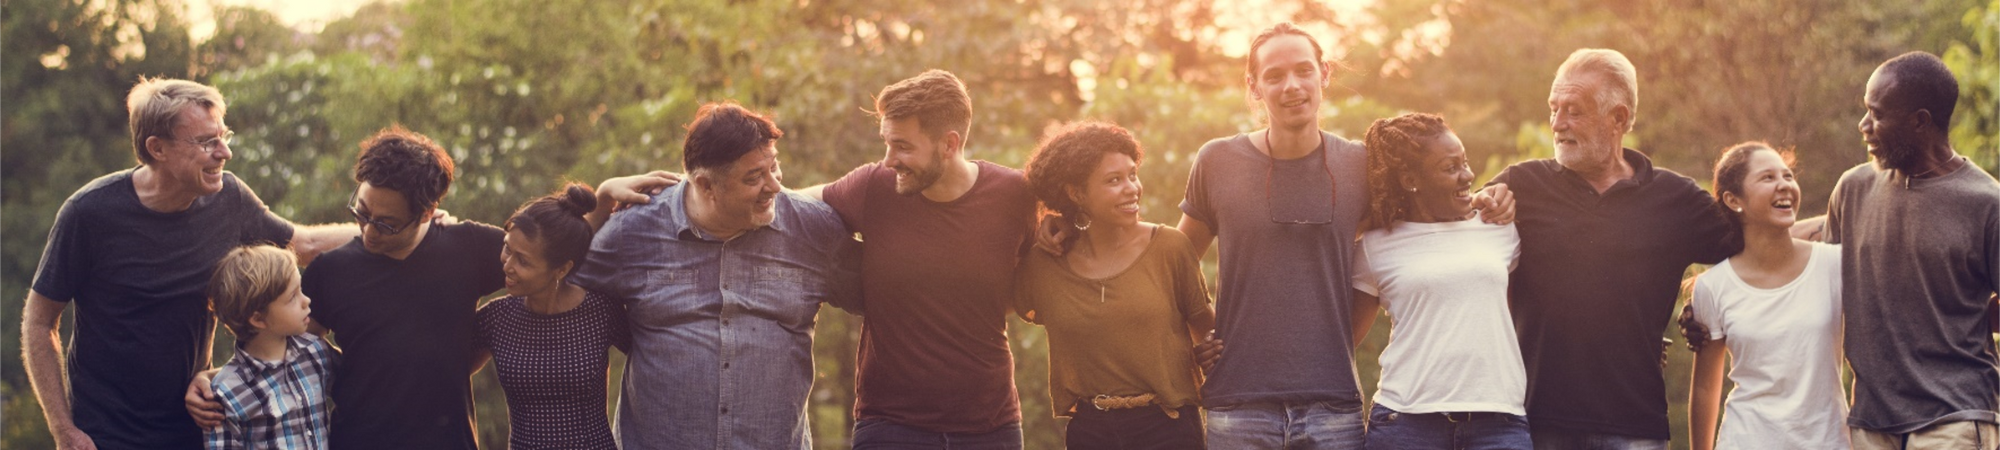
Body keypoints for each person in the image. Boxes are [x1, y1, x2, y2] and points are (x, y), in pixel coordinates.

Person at [22, 77, 353, 450]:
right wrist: (64, 430)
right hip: (106, 435)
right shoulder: (89, 213)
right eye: (206, 142)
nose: (224, 152)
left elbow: (304, 244)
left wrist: (412, 224)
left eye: (223, 135)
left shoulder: (229, 198)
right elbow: (39, 322)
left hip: (197, 424)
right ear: (156, 148)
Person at [188, 126, 505, 450]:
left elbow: (548, 266)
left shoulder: (471, 247)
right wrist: (214, 378)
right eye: (362, 212)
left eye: (386, 224)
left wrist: (490, 332)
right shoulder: (332, 270)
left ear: (426, 212)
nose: (368, 231)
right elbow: (277, 349)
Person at [571, 102, 861, 449]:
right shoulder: (631, 231)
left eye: (774, 167)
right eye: (753, 177)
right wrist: (599, 203)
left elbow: (893, 292)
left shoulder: (813, 229)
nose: (774, 186)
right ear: (706, 185)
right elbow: (558, 279)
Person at [1487, 48, 1736, 449]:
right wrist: (1486, 202)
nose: (1557, 123)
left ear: (1618, 118)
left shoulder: (1676, 198)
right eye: (1554, 108)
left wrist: (1705, 305)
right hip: (1537, 423)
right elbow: (1454, 229)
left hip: (1636, 426)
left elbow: (1756, 244)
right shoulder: (1522, 183)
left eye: (1574, 110)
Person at [1833, 51, 2000, 449]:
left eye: (1877, 114)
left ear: (1920, 121)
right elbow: (1810, 271)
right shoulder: (1852, 190)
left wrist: (1963, 315)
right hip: (1871, 418)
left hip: (1956, 414)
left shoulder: (1987, 203)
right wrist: (1715, 299)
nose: (1864, 126)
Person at [1015, 122, 1215, 449]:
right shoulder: (1045, 264)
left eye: (1132, 174)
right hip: (1090, 431)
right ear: (1076, 193)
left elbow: (1207, 330)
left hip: (1168, 426)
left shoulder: (1170, 247)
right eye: (1114, 180)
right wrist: (1044, 222)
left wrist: (1212, 352)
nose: (1131, 188)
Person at [1349, 113, 1530, 450]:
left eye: (1465, 162)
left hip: (1499, 425)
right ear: (1409, 179)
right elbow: (1344, 342)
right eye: (1450, 168)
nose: (1468, 176)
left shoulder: (1499, 227)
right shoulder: (1376, 245)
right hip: (1405, 425)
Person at [1682, 142, 1847, 450]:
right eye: (1768, 178)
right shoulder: (1713, 287)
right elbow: (1705, 388)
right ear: (1733, 200)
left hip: (1828, 441)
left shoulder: (1834, 264)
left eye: (1787, 176)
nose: (1784, 185)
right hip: (1746, 439)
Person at [471, 183, 629, 449]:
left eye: (523, 261)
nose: (507, 265)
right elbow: (447, 374)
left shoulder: (601, 311)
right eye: (508, 249)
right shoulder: (496, 319)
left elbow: (653, 360)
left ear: (561, 269)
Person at [202, 245, 338, 450]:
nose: (306, 301)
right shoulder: (226, 393)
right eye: (293, 297)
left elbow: (359, 389)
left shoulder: (316, 352)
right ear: (258, 318)